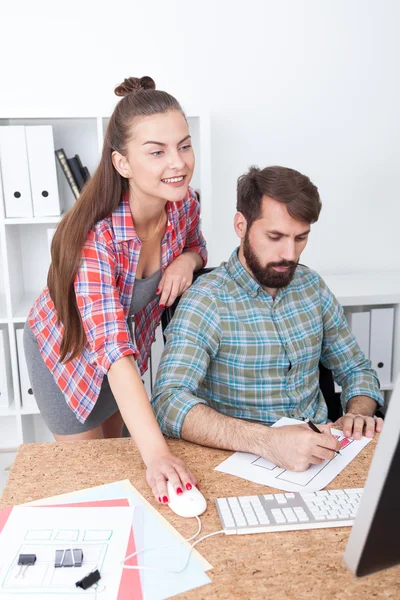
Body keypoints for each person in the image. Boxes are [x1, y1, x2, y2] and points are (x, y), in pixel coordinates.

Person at [24, 76, 207, 503]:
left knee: (125, 467)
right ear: (122, 163)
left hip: (122, 361)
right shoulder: (96, 241)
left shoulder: (183, 206)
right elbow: (110, 346)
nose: (177, 162)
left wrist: (187, 259)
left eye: (184, 145)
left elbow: (197, 243)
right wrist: (159, 455)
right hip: (67, 358)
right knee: (94, 485)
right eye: (156, 152)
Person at [152, 165, 384, 472]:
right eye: (275, 236)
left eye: (301, 238)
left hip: (324, 456)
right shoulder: (206, 299)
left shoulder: (311, 286)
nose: (289, 253)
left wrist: (358, 412)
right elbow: (168, 402)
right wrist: (268, 441)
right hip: (244, 462)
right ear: (241, 225)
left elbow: (357, 369)